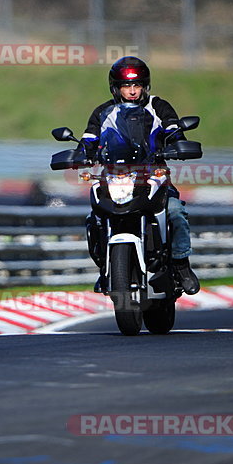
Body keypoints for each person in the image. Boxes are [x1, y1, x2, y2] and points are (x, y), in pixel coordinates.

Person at [81, 56, 200, 295]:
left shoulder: (159, 106)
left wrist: (177, 144)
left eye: (137, 86)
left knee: (176, 211)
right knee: (93, 217)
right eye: (126, 86)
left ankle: (180, 264)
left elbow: (173, 129)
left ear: (145, 86)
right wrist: (80, 154)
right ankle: (106, 268)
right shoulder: (104, 112)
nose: (132, 91)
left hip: (153, 176)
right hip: (114, 176)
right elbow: (89, 139)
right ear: (116, 88)